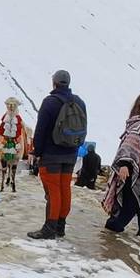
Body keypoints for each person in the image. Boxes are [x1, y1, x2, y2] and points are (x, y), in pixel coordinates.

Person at [28, 70, 87, 240]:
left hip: (51, 154)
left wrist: (37, 151)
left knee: (53, 191)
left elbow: (41, 130)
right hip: (70, 153)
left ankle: (49, 227)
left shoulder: (49, 102)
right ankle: (60, 226)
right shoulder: (79, 102)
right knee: (64, 189)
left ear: (54, 83)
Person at [102, 95, 140, 237]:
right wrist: (124, 164)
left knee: (139, 202)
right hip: (133, 171)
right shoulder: (139, 125)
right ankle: (119, 226)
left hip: (139, 172)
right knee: (133, 203)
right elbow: (129, 146)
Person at [0, 97, 25, 193]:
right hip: (4, 141)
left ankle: (12, 180)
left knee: (14, 161)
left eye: (13, 105)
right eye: (9, 105)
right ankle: (4, 180)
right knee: (4, 158)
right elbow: (1, 130)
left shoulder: (18, 120)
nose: (11, 107)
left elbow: (20, 128)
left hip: (16, 141)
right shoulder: (5, 119)